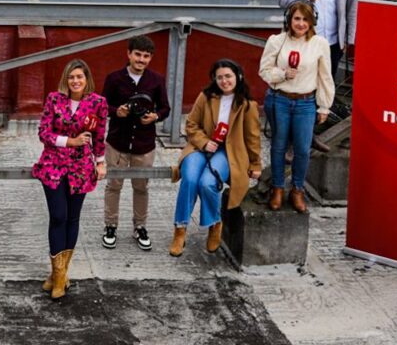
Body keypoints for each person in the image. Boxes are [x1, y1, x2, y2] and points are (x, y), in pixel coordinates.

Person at [31, 59, 108, 300]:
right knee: (58, 216)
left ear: (87, 80)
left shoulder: (98, 103)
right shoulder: (54, 99)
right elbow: (43, 133)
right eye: (72, 77)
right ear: (66, 79)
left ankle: (60, 276)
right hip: (53, 165)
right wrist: (69, 141)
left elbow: (99, 135)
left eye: (80, 77)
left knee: (73, 218)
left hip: (81, 168)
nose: (75, 81)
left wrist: (100, 161)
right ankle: (58, 274)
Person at [169, 59, 262, 257]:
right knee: (190, 179)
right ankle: (180, 228)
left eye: (228, 76)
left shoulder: (247, 105)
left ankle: (214, 223)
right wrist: (204, 142)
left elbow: (252, 137)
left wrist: (255, 163)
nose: (224, 81)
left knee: (207, 183)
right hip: (200, 147)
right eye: (219, 77)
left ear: (237, 76)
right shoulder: (206, 97)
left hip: (227, 152)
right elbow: (191, 124)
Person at [258, 1, 334, 214]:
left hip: (306, 102)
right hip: (279, 99)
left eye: (305, 19)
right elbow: (264, 70)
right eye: (297, 18)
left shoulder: (320, 44)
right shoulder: (277, 41)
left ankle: (297, 189)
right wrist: (282, 74)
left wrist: (324, 106)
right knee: (279, 146)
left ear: (312, 22)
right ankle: (277, 188)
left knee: (302, 149)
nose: (301, 24)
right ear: (289, 20)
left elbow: (325, 76)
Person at [99, 35, 170, 252]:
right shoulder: (114, 78)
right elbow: (102, 105)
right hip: (117, 142)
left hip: (144, 144)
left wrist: (155, 116)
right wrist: (116, 111)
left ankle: (140, 227)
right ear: (129, 54)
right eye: (137, 54)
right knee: (114, 186)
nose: (141, 59)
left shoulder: (157, 80)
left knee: (141, 187)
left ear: (150, 58)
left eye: (146, 56)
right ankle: (110, 226)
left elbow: (165, 108)